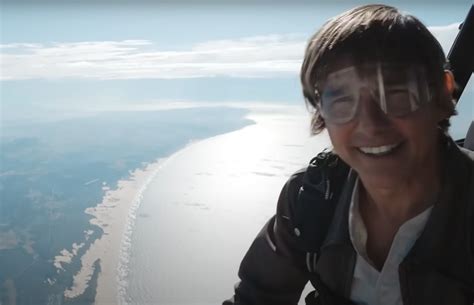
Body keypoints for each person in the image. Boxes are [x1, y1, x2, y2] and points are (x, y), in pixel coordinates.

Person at [223, 4, 474, 305]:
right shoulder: (312, 196)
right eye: (342, 99)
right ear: (322, 113)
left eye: (395, 93)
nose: (370, 124)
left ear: (442, 94)